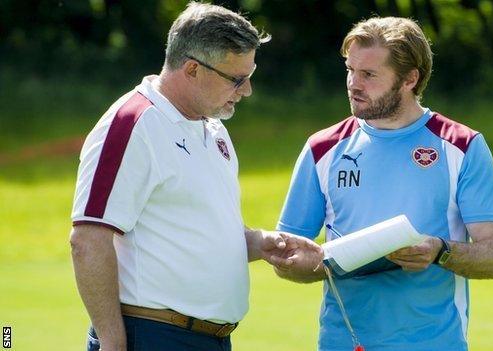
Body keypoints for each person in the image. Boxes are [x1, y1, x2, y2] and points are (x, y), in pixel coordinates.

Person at [69, 3, 316, 351]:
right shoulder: (133, 124)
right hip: (152, 335)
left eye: (250, 75)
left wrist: (259, 243)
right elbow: (88, 237)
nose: (247, 91)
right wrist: (111, 341)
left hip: (210, 339)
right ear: (192, 69)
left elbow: (195, 232)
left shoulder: (213, 128)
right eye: (237, 79)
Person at [274, 16, 493, 351]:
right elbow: (289, 260)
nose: (353, 84)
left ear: (410, 78)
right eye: (349, 70)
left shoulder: (461, 145)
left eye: (368, 75)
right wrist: (321, 261)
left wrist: (439, 252)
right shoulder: (322, 148)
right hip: (344, 343)